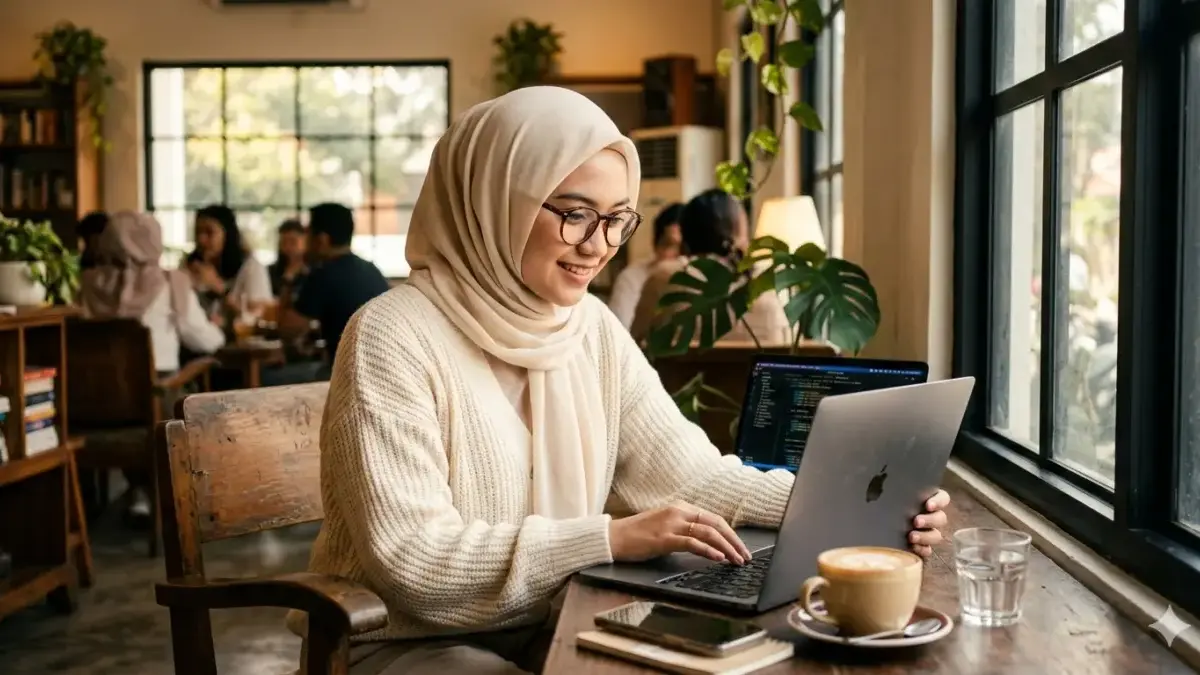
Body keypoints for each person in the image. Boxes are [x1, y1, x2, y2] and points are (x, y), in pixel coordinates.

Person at [290, 86, 950, 675]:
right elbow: (414, 561)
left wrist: (847, 506)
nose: (599, 244)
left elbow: (692, 474)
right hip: (406, 639)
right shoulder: (391, 336)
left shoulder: (590, 328)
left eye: (617, 218)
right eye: (575, 213)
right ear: (493, 201)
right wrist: (609, 536)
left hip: (560, 613)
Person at [78, 210, 225, 519]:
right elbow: (205, 341)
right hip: (152, 400)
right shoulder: (171, 282)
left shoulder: (85, 283)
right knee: (184, 392)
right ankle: (182, 492)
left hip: (91, 406)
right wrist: (219, 331)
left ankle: (138, 490)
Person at [630, 188, 791, 346]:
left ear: (685, 238)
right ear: (740, 234)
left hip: (686, 373)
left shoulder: (665, 276)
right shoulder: (765, 284)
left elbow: (633, 345)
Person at [273, 203, 389, 384]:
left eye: (308, 235)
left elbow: (287, 331)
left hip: (344, 378)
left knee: (267, 377)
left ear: (322, 240)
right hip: (383, 374)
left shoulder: (323, 274)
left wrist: (289, 277)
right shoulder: (372, 270)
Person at [183, 205, 273, 316]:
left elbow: (258, 316)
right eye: (198, 232)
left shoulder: (251, 267)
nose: (201, 239)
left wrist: (219, 288)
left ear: (227, 234)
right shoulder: (191, 265)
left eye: (209, 232)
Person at [606, 202, 683, 328]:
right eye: (669, 245)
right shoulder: (631, 279)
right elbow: (620, 334)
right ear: (656, 246)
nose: (680, 256)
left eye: (684, 247)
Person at [269, 218, 308, 302]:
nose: (288, 247)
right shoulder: (271, 271)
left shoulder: (313, 270)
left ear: (305, 241)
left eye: (293, 242)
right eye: (284, 242)